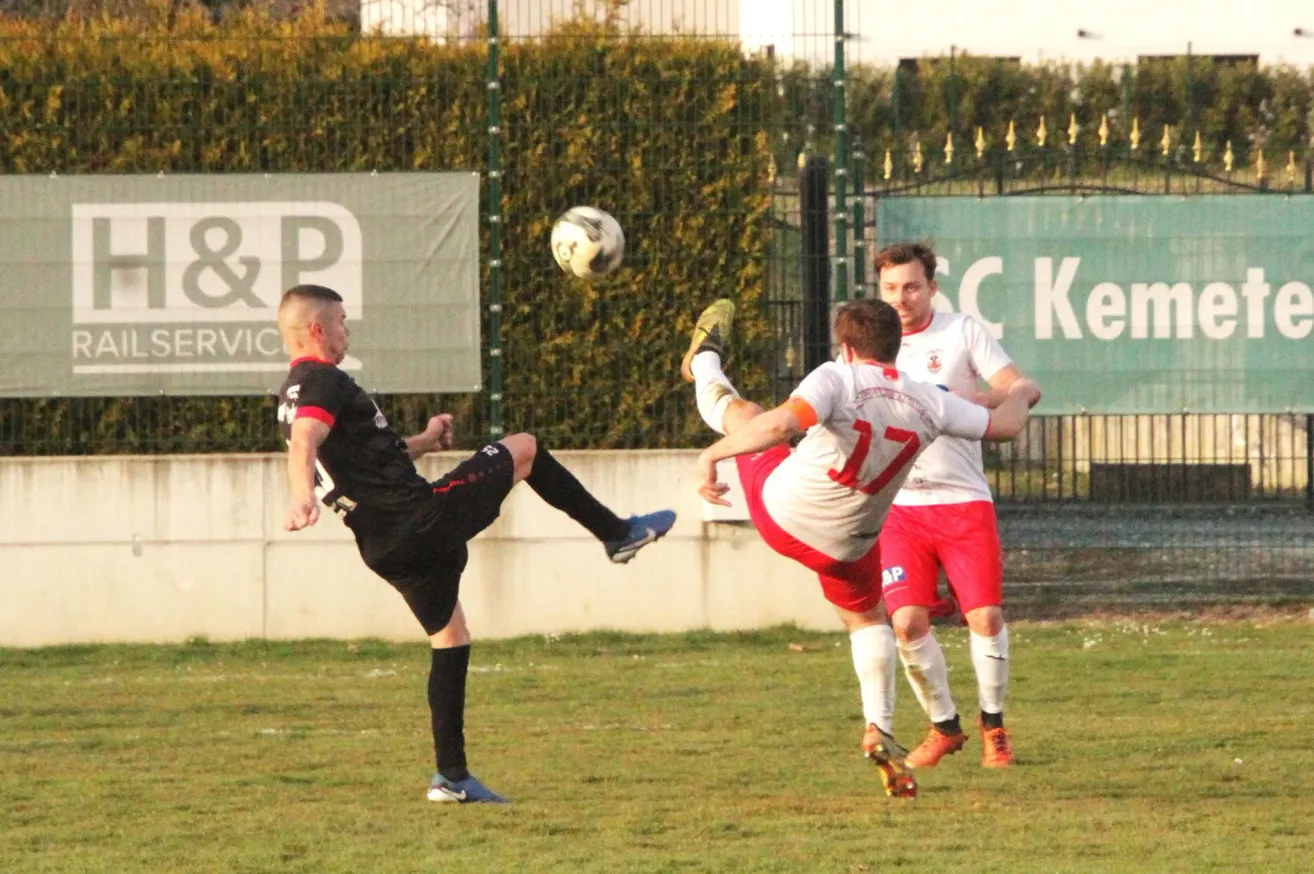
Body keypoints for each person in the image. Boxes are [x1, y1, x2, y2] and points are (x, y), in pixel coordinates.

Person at [275, 284, 676, 804]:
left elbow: (365, 459)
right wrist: (301, 497)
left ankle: (452, 777)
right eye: (342, 321)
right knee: (524, 448)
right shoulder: (322, 379)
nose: (347, 331)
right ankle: (617, 534)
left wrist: (423, 442)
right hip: (419, 521)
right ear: (317, 328)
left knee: (451, 639)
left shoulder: (290, 394)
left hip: (382, 544)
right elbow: (306, 441)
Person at [682, 296, 1039, 798]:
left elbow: (781, 426)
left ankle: (703, 362)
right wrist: (1021, 391)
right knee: (870, 621)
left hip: (785, 517)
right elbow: (1006, 425)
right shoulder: (929, 400)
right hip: (848, 543)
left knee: (746, 412)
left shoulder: (836, 377)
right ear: (898, 345)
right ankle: (879, 725)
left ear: (847, 348)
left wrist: (712, 455)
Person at [874, 241, 1043, 769]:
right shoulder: (868, 345)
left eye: (911, 287)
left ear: (932, 288)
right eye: (890, 288)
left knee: (985, 617)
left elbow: (1019, 387)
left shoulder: (960, 331)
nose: (901, 298)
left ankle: (994, 727)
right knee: (906, 624)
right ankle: (944, 726)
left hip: (963, 501)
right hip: (899, 508)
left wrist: (969, 402)